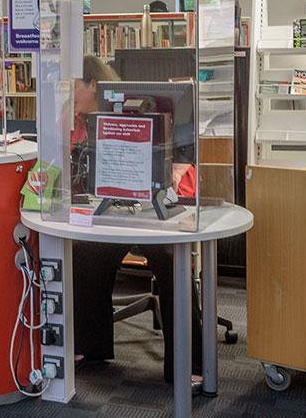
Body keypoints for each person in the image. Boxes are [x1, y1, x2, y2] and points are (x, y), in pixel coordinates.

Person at [72, 55, 202, 384]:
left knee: (173, 258)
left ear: (93, 85)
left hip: (158, 208)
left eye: (73, 85)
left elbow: (183, 158)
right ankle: (90, 347)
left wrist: (176, 163)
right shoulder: (76, 119)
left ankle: (190, 362)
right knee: (85, 253)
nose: (68, 92)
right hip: (112, 207)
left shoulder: (144, 112)